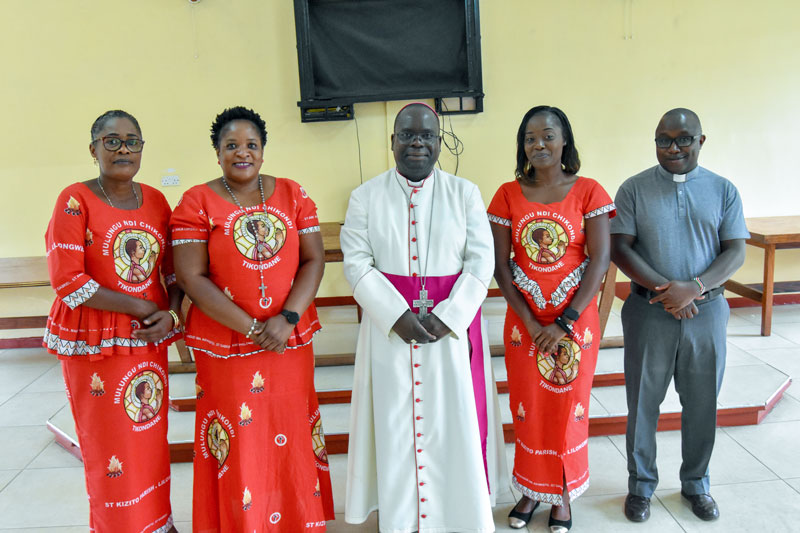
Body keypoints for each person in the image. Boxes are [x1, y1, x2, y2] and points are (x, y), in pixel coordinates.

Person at [341, 102, 508, 533]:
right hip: (389, 331)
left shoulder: (465, 193)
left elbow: (480, 261)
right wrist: (396, 314)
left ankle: (458, 516)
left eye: (427, 135)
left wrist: (448, 316)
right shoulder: (365, 196)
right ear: (391, 141)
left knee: (454, 426)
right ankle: (401, 520)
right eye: (407, 135)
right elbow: (357, 264)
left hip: (451, 333)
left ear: (439, 142)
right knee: (396, 427)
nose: (417, 143)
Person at [170, 106, 334, 531]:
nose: (242, 153)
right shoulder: (196, 201)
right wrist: (254, 328)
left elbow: (314, 259)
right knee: (240, 438)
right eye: (231, 146)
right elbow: (191, 276)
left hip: (289, 341)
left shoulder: (293, 194)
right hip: (227, 343)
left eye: (251, 145)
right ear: (217, 152)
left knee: (289, 432)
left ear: (263, 150)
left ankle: (297, 520)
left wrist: (288, 319)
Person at [43, 110, 182, 532]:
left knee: (149, 437)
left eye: (133, 141)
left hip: (147, 342)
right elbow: (67, 280)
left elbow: (174, 273)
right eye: (112, 141)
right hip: (96, 343)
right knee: (110, 446)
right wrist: (142, 307)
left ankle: (159, 521)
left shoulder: (157, 200)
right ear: (93, 149)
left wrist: (172, 314)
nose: (124, 149)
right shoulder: (75, 199)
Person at [611, 108, 748, 523]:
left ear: (701, 141)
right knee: (643, 405)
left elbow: (735, 250)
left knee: (703, 403)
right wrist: (666, 290)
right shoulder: (633, 189)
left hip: (706, 314)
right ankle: (640, 487)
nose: (673, 148)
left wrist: (696, 287)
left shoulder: (724, 190)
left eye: (683, 139)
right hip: (648, 313)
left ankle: (696, 484)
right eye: (663, 140)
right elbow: (620, 248)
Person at [488, 105, 614, 532]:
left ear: (564, 141)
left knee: (569, 405)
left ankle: (561, 494)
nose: (538, 144)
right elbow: (501, 266)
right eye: (529, 138)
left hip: (574, 323)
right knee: (529, 407)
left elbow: (599, 262)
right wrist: (529, 321)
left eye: (547, 136)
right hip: (524, 324)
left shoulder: (590, 191)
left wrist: (565, 323)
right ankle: (529, 489)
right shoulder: (507, 193)